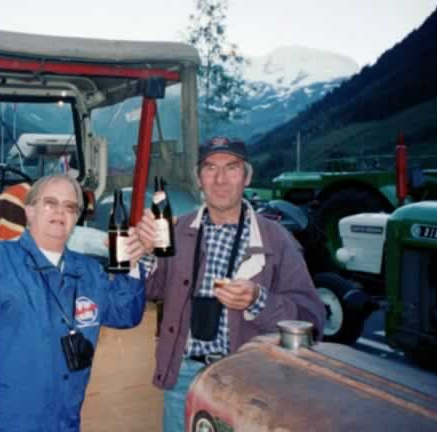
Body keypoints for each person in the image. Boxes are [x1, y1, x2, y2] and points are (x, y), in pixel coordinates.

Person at [0, 174, 155, 432]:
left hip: (63, 423)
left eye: (70, 206)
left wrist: (131, 266)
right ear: (29, 211)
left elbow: (125, 314)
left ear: (76, 217)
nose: (60, 212)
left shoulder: (89, 272)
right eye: (50, 203)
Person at [136, 136, 326, 432]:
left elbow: (312, 320)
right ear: (198, 178)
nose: (220, 179)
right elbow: (151, 290)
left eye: (231, 168)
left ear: (247, 176)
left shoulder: (276, 239)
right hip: (183, 378)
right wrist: (146, 254)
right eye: (210, 168)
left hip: (250, 382)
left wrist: (258, 301)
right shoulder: (177, 230)